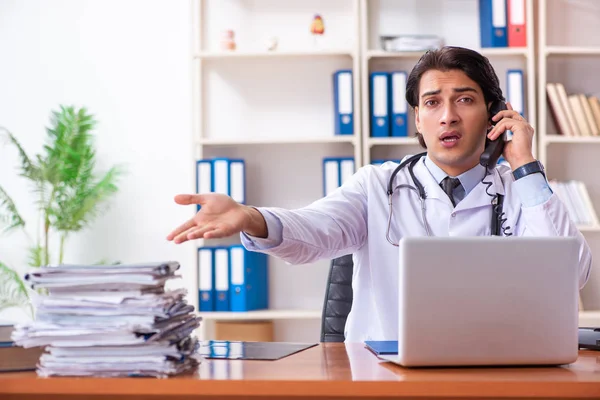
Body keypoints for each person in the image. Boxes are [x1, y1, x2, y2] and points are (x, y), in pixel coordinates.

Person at [167, 46, 592, 342]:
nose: (447, 116)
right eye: (432, 103)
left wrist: (523, 163)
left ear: (494, 115)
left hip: (493, 371)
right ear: (417, 121)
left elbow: (568, 274)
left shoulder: (525, 190)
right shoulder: (377, 185)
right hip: (383, 375)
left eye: (465, 99)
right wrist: (250, 217)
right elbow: (314, 230)